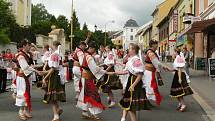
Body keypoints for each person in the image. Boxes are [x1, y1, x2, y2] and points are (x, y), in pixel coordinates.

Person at [107, 43, 151, 121]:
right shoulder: (131, 59)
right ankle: (123, 117)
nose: (128, 50)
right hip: (130, 81)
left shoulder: (136, 60)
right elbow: (126, 71)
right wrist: (114, 73)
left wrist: (133, 85)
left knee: (131, 105)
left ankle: (127, 118)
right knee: (127, 101)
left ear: (134, 50)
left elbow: (140, 75)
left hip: (134, 82)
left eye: (130, 49)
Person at [76, 41, 106, 121]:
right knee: (93, 95)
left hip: (84, 77)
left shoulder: (84, 54)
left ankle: (85, 112)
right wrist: (104, 71)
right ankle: (94, 114)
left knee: (85, 95)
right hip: (87, 79)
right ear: (91, 48)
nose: (94, 51)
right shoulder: (88, 56)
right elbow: (94, 69)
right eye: (94, 50)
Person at [15, 39, 41, 121]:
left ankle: (25, 111)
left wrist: (34, 46)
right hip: (22, 77)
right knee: (22, 94)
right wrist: (36, 70)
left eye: (30, 45)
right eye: (28, 45)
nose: (30, 47)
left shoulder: (28, 54)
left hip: (27, 76)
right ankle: (20, 111)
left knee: (28, 94)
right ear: (24, 46)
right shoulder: (20, 55)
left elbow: (38, 55)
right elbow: (25, 67)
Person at [40, 41, 66, 121]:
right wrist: (43, 72)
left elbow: (52, 69)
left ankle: (56, 115)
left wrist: (45, 77)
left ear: (54, 45)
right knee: (54, 96)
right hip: (57, 76)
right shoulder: (59, 54)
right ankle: (58, 109)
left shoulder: (54, 55)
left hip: (53, 77)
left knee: (52, 97)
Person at [144, 40, 170, 106]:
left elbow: (156, 62)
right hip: (149, 73)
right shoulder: (150, 52)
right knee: (151, 87)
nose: (157, 46)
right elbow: (156, 62)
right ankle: (146, 103)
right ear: (152, 45)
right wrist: (164, 66)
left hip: (150, 72)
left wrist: (161, 68)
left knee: (151, 87)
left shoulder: (152, 52)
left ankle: (147, 102)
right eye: (156, 44)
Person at [72, 32, 91, 101]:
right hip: (78, 68)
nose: (85, 47)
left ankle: (77, 94)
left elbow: (84, 43)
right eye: (84, 46)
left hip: (74, 68)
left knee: (76, 80)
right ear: (81, 45)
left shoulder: (77, 49)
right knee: (85, 79)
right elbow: (81, 61)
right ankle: (84, 94)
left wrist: (88, 38)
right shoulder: (80, 51)